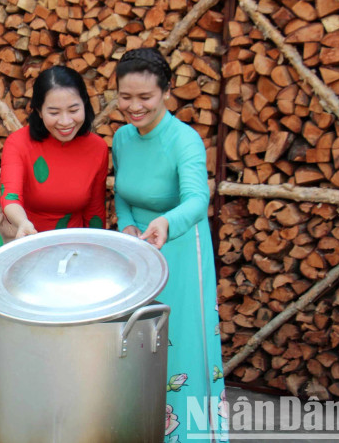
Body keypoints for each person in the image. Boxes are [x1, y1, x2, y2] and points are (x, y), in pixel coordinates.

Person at [112, 47, 229, 442]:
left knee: (181, 343)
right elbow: (123, 193)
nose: (134, 106)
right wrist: (127, 226)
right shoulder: (122, 138)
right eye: (125, 97)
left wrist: (165, 222)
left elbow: (198, 200)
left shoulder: (184, 140)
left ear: (166, 91)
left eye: (145, 97)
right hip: (139, 251)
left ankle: (192, 435)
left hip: (179, 247)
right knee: (139, 341)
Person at [0, 65, 108, 247]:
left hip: (72, 247)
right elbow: (10, 197)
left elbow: (95, 210)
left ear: (85, 105)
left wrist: (97, 247)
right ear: (39, 111)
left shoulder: (97, 148)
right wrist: (23, 223)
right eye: (54, 113)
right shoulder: (18, 143)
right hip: (23, 241)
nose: (65, 121)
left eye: (73, 110)